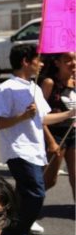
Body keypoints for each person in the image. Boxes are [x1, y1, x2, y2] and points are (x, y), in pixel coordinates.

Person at [0, 44, 75, 235]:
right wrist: (22, 116)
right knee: (36, 194)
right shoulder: (5, 88)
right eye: (37, 60)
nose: (41, 64)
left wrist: (70, 114)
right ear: (25, 62)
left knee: (23, 196)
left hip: (35, 150)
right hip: (18, 150)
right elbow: (0, 123)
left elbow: (44, 118)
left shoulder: (34, 88)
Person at [39, 51, 76, 196]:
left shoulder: (74, 82)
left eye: (74, 59)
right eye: (67, 60)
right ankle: (21, 205)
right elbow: (39, 116)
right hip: (55, 136)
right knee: (49, 180)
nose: (73, 63)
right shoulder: (50, 83)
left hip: (73, 134)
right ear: (57, 63)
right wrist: (51, 142)